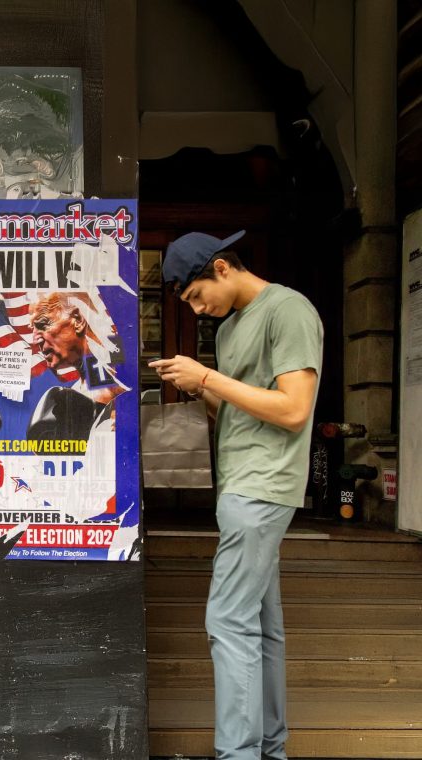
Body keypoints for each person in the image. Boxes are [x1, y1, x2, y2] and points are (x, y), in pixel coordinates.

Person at [150, 230, 323, 760]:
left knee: (226, 620)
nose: (198, 310)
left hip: (263, 486)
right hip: (241, 484)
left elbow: (294, 410)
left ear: (222, 267)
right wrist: (203, 389)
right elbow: (244, 413)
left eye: (198, 296)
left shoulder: (287, 309)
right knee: (262, 628)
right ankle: (269, 748)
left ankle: (239, 754)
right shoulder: (228, 332)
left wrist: (209, 377)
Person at [29, 291, 123, 405]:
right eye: (32, 329)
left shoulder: (121, 383)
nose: (35, 340)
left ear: (78, 320)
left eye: (42, 324)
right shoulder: (78, 393)